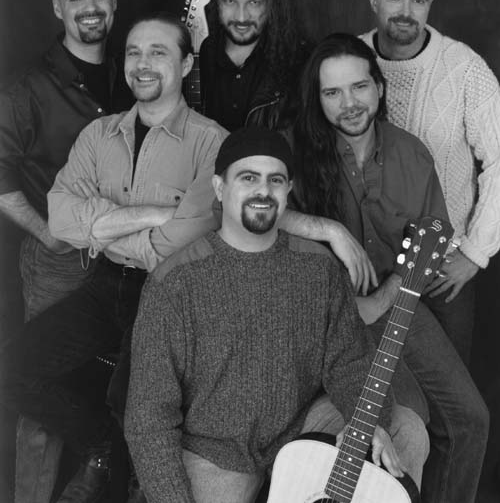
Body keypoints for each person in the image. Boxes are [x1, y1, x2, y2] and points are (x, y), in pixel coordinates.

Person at [0, 13, 226, 503]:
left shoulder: (213, 143)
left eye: (158, 52)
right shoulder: (98, 134)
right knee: (12, 370)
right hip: (103, 286)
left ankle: (131, 485)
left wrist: (101, 229)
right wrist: (150, 215)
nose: (143, 64)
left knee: (133, 404)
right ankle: (99, 445)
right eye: (134, 52)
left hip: (169, 294)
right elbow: (61, 220)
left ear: (187, 63)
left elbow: (180, 241)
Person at [125, 126, 405, 503]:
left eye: (275, 180)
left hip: (301, 427)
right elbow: (149, 418)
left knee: (405, 432)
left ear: (288, 190)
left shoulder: (319, 268)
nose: (263, 190)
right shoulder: (174, 283)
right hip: (213, 449)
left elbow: (350, 361)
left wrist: (367, 421)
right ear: (220, 188)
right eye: (248, 178)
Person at [291, 33, 489, 503]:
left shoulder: (410, 152)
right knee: (407, 417)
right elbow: (246, 208)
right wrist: (330, 230)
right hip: (326, 315)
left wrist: (381, 299)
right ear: (317, 98)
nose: (349, 104)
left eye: (359, 87)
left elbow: (432, 238)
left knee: (471, 418)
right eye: (332, 92)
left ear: (379, 88)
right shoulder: (294, 151)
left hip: (395, 299)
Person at [0, 0, 123, 503]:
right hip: (60, 257)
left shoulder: (130, 73)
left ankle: (98, 472)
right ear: (57, 8)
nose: (89, 7)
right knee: (39, 389)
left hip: (123, 257)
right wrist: (46, 232)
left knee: (115, 382)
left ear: (114, 2)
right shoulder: (29, 89)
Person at [360, 0, 500, 365]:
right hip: (368, 265)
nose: (406, 11)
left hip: (442, 267)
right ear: (373, 0)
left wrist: (474, 254)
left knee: (449, 391)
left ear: (430, 5)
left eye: (418, 0)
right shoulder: (349, 59)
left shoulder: (465, 69)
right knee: (372, 385)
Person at [199, 0, 309, 131]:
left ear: (273, 4)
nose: (241, 16)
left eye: (254, 2)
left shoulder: (302, 64)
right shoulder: (191, 61)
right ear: (216, 2)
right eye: (230, 1)